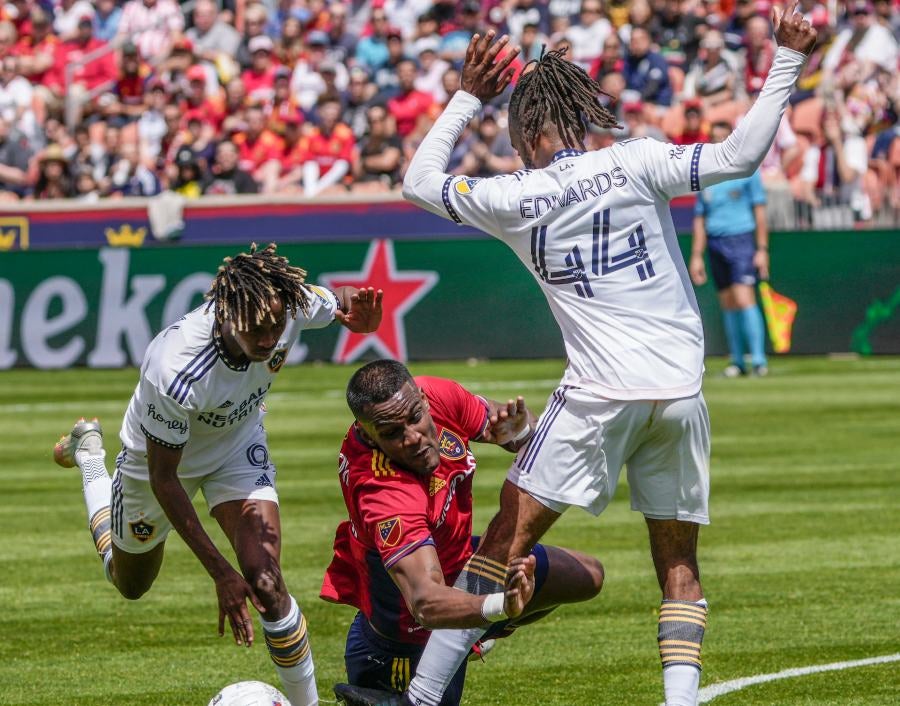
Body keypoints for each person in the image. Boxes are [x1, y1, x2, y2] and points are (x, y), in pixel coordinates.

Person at [337, 5, 816, 705]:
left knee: (503, 538)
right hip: (680, 393)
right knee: (678, 563)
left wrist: (469, 95)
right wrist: (787, 60)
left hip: (600, 393)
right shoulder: (638, 158)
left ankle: (423, 698)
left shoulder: (515, 195)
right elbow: (740, 157)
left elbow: (417, 182)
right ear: (577, 120)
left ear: (529, 133)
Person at [53, 244, 384, 706]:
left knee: (267, 584)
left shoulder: (289, 303)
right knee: (129, 583)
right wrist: (221, 572)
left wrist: (358, 312)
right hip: (160, 464)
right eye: (257, 329)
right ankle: (90, 456)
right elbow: (164, 479)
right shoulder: (175, 367)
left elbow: (341, 299)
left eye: (276, 327)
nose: (270, 338)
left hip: (236, 447)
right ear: (226, 313)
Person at [324, 360, 604, 705]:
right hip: (407, 643)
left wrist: (520, 431)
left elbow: (507, 424)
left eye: (415, 418)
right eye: (393, 433)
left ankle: (478, 630)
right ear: (369, 435)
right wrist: (502, 605)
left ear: (423, 400)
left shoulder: (436, 395)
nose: (412, 437)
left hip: (459, 567)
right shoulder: (384, 493)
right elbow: (425, 602)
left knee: (583, 576)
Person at [689, 121, 770, 378]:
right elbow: (700, 218)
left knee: (745, 298)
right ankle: (737, 360)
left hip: (740, 238)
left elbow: (759, 211)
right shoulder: (706, 176)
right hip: (715, 241)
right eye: (715, 138)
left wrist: (762, 248)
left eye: (724, 138)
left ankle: (758, 359)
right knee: (728, 302)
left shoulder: (746, 171)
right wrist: (696, 255)